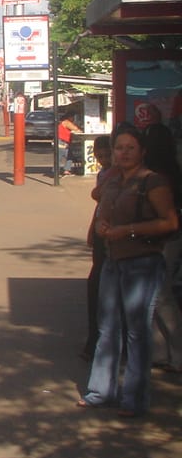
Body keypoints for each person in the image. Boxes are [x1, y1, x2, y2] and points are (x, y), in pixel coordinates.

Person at [77, 127, 178, 417]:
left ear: (142, 151)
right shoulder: (112, 182)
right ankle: (100, 391)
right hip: (112, 262)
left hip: (143, 264)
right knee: (107, 329)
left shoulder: (153, 182)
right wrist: (102, 228)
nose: (123, 153)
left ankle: (134, 399)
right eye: (119, 147)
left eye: (130, 148)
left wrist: (128, 231)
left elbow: (169, 222)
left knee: (137, 332)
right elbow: (102, 214)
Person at [141, 122, 182, 372]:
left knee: (160, 295)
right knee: (155, 296)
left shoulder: (156, 177)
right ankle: (161, 351)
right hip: (170, 239)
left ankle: (175, 352)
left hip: (164, 240)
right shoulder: (174, 168)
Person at [81, 135, 113, 360]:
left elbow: (98, 196)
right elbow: (100, 204)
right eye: (99, 156)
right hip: (103, 232)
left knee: (100, 286)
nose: (103, 160)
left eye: (106, 155)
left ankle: (97, 342)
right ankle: (95, 340)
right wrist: (92, 228)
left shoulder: (118, 174)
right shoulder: (104, 174)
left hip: (114, 236)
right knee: (96, 285)